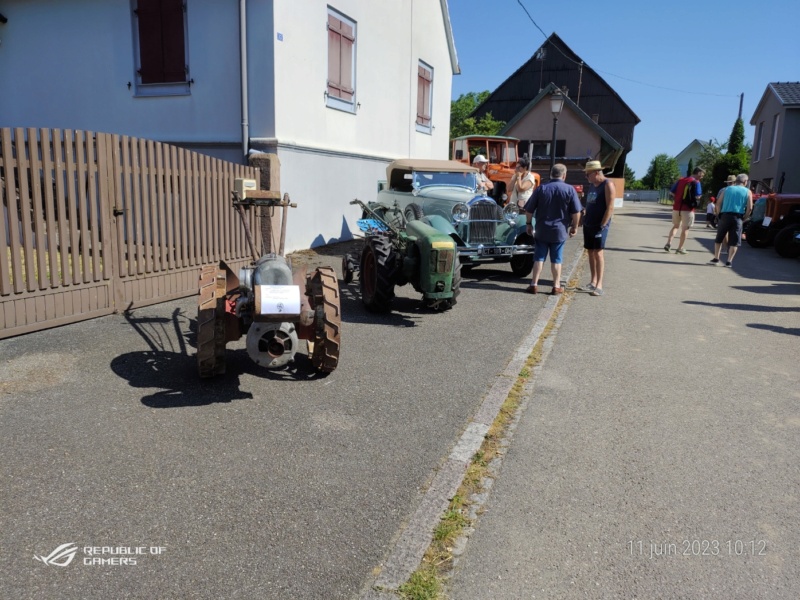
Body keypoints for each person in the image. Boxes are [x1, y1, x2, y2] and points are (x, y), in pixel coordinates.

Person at [523, 163, 582, 295]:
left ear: (551, 174)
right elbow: (576, 212)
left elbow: (529, 209)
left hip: (542, 229)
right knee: (557, 259)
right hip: (559, 230)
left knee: (538, 257)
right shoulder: (569, 189)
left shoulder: (541, 188)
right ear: (564, 175)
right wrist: (574, 226)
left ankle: (534, 284)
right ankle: (556, 286)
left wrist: (528, 223)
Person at [580, 160, 615, 296]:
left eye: (587, 174)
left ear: (596, 173)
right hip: (588, 223)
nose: (586, 177)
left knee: (598, 253)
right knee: (590, 252)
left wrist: (603, 224)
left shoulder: (608, 184)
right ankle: (593, 281)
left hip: (599, 225)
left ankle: (599, 285)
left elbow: (610, 207)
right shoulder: (593, 185)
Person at [710, 173, 753, 267]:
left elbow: (718, 203)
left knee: (719, 238)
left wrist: (718, 214)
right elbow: (749, 208)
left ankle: (716, 258)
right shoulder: (748, 191)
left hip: (725, 215)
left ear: (736, 180)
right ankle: (729, 261)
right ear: (745, 182)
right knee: (734, 241)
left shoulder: (726, 189)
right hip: (738, 217)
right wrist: (744, 217)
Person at [664, 167, 704, 254]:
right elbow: (698, 196)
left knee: (675, 226)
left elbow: (671, 192)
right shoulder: (696, 182)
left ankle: (668, 243)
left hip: (676, 208)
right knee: (685, 229)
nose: (702, 177)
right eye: (702, 175)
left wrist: (678, 197)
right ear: (698, 173)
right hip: (688, 209)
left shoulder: (681, 180)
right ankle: (680, 248)